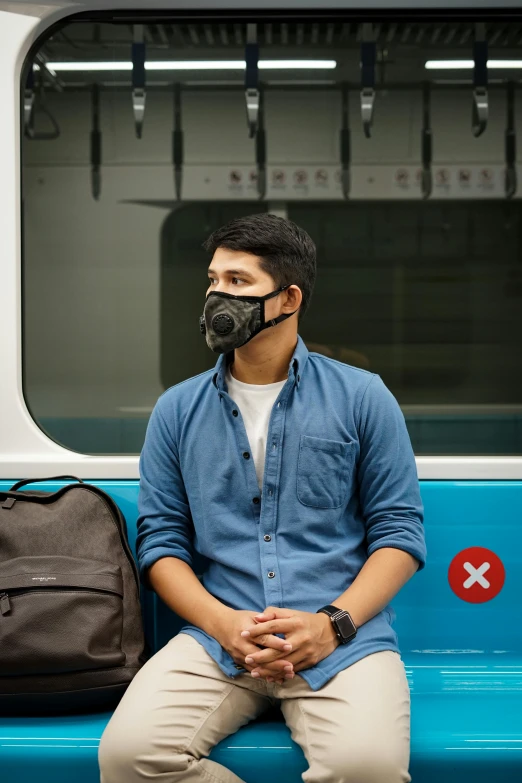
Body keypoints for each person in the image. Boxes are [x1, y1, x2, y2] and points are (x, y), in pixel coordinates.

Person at [98, 213, 426, 783]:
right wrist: (225, 625)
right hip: (220, 636)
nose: (216, 295)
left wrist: (330, 625)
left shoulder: (362, 397)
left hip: (341, 637)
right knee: (129, 758)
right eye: (213, 279)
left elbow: (399, 534)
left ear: (288, 297)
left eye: (238, 282)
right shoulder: (177, 410)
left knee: (368, 768)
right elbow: (162, 543)